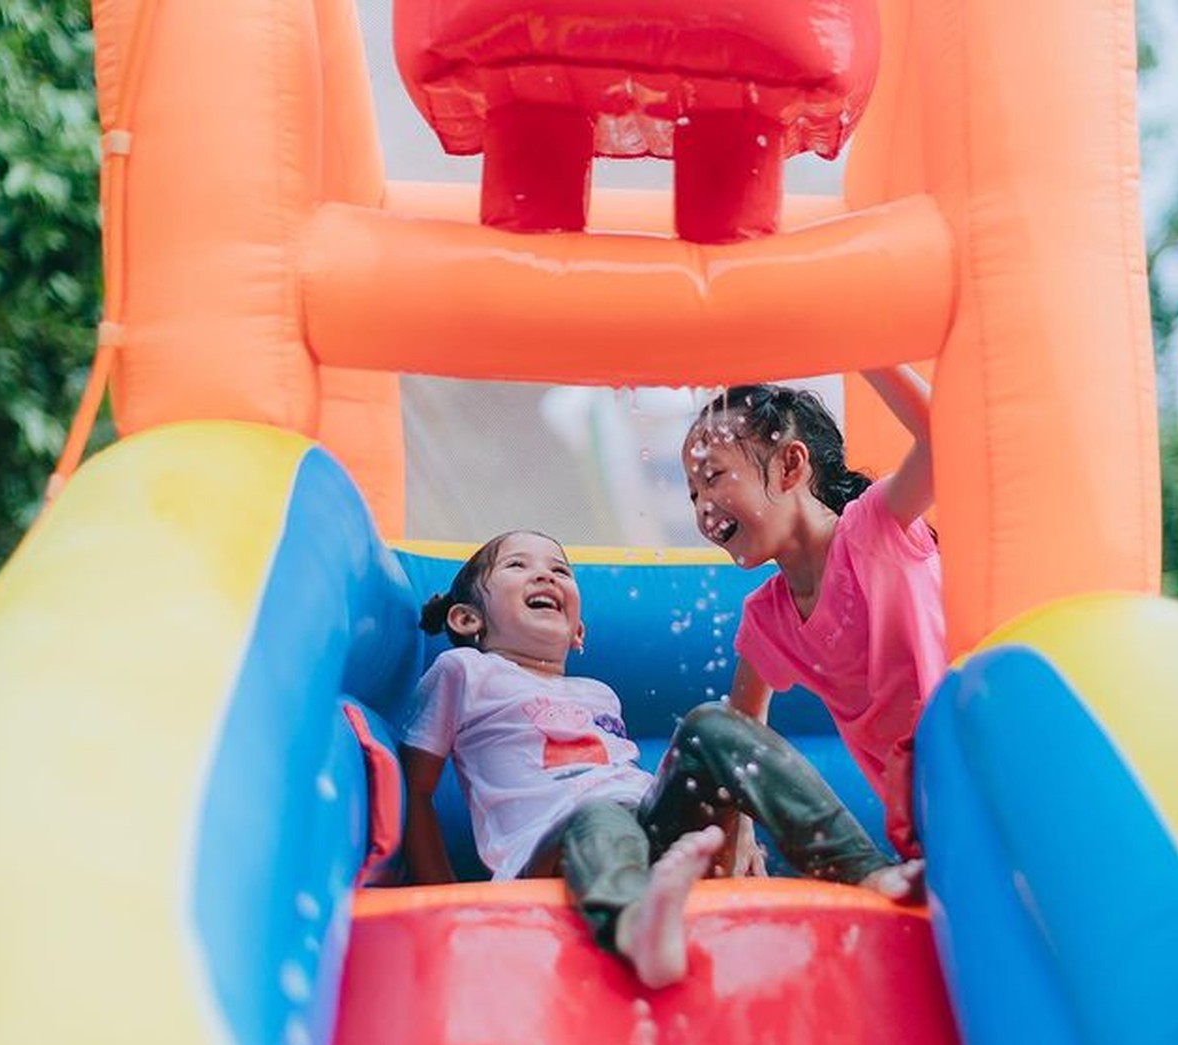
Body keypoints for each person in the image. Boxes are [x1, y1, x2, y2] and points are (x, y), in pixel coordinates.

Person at [399, 529, 923, 990]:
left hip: (643, 821)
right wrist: (447, 903)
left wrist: (732, 830)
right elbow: (418, 789)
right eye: (519, 566)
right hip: (548, 853)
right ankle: (634, 925)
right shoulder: (463, 671)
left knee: (712, 723)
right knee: (599, 814)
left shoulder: (597, 693)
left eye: (560, 569)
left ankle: (863, 869)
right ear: (467, 618)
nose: (547, 577)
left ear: (578, 633)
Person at [682, 367, 944, 859]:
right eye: (693, 493)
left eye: (713, 476)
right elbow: (738, 734)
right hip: (922, 824)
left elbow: (943, 439)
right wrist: (739, 836)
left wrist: (870, 354)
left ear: (790, 466)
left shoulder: (873, 529)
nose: (702, 507)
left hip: (973, 770)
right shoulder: (768, 618)